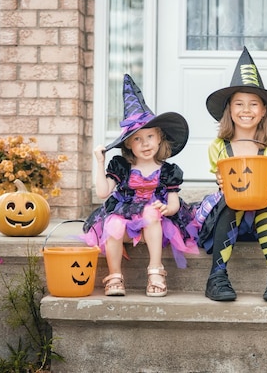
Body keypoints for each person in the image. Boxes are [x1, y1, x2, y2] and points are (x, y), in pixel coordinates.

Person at [189, 47, 267, 302]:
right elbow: (224, 182)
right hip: (228, 218)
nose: (246, 109)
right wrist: (221, 181)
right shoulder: (218, 147)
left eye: (253, 104)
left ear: (263, 112)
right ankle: (216, 275)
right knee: (231, 199)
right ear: (229, 110)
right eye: (239, 103)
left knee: (263, 202)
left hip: (261, 216)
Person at [82, 74, 198, 297]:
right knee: (114, 223)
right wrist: (99, 162)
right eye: (137, 139)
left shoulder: (167, 171)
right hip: (127, 226)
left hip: (156, 228)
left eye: (150, 136)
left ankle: (155, 270)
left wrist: (167, 209)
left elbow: (172, 203)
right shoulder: (122, 167)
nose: (145, 143)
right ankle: (115, 276)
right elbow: (103, 192)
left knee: (151, 211)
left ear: (160, 138)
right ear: (128, 143)